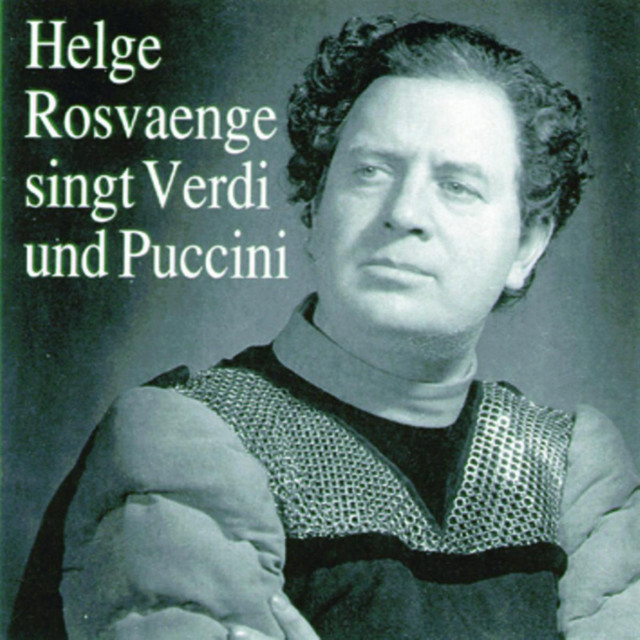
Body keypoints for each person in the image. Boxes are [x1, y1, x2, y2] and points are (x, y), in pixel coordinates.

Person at [11, 16, 639, 640]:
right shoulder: (184, 439)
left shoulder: (571, 469)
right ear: (315, 205)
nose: (404, 212)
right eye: (371, 170)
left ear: (527, 244)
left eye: (456, 186)